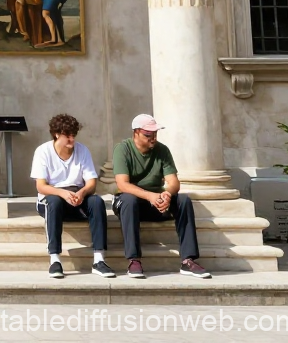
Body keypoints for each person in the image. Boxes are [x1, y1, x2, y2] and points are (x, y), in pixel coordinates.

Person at [112, 113, 211, 279]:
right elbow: (122, 184)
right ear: (136, 132)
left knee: (183, 200)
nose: (153, 137)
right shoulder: (122, 149)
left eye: (155, 133)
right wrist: (150, 196)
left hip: (156, 201)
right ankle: (134, 260)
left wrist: (166, 194)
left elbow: (174, 183)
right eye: (148, 134)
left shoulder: (162, 150)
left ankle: (188, 260)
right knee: (129, 199)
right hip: (130, 202)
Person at [30, 113, 115, 279]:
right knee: (53, 202)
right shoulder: (43, 151)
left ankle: (99, 259)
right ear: (56, 134)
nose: (71, 139)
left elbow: (91, 182)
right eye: (67, 135)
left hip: (77, 196)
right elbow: (41, 186)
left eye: (73, 135)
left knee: (97, 201)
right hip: (53, 196)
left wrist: (81, 193)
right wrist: (62, 193)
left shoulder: (82, 150)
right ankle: (55, 260)